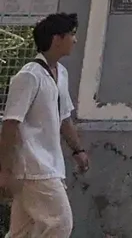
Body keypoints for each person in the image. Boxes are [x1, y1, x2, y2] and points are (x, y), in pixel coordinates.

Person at [0, 13, 89, 238]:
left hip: (49, 163)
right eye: (71, 34)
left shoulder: (61, 74)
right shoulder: (29, 76)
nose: (75, 40)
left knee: (23, 229)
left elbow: (64, 118)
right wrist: (5, 171)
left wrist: (77, 150)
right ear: (56, 39)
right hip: (33, 167)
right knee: (60, 223)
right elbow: (10, 125)